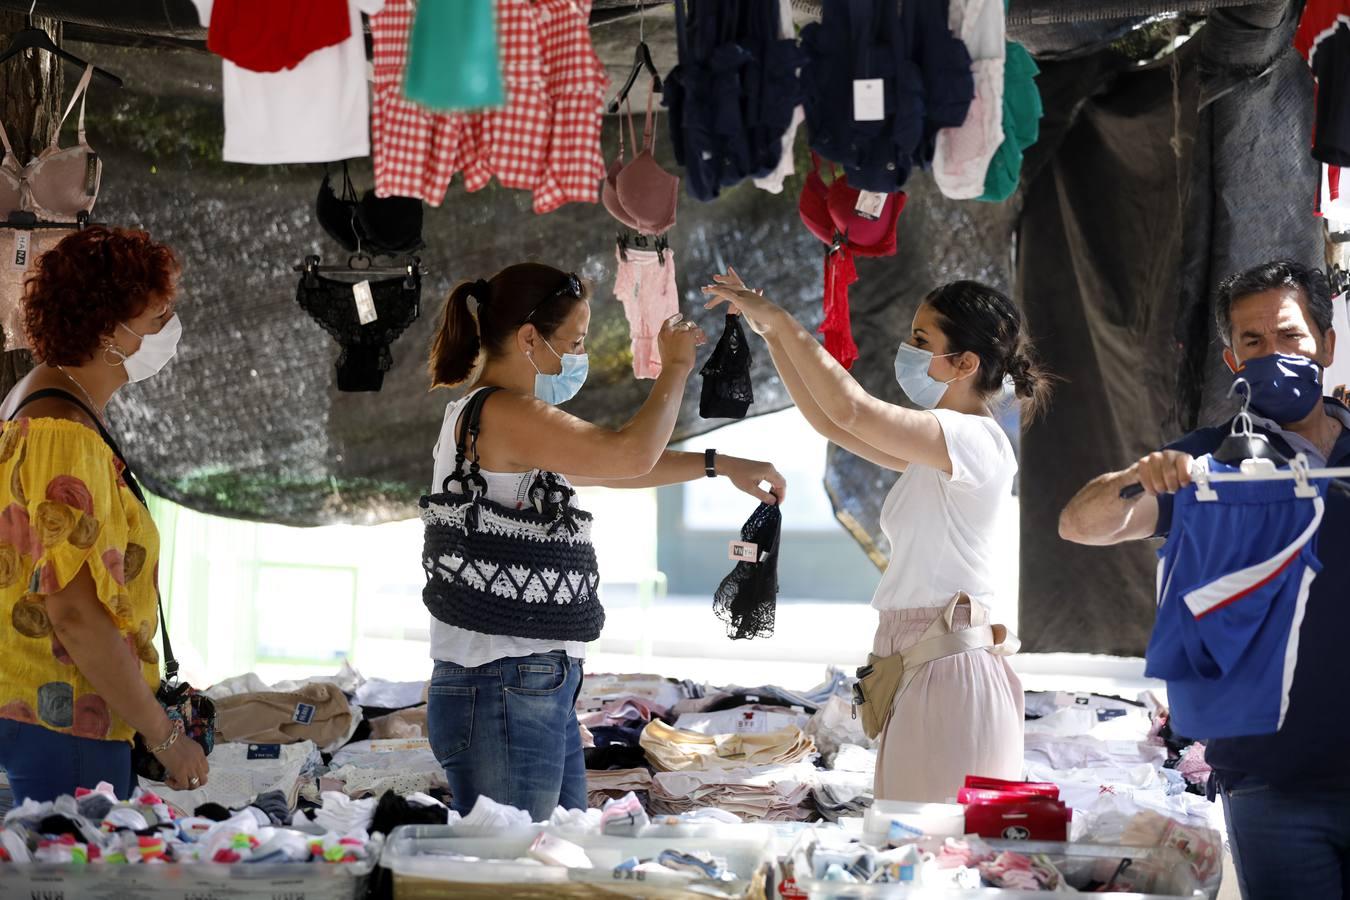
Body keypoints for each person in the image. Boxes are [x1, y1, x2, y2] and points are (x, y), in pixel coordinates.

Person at [424, 262, 786, 820]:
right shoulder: (503, 411)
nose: (578, 355)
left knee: (551, 856)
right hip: (504, 684)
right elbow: (627, 454)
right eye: (574, 341)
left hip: (523, 683)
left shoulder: (501, 418)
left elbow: (615, 469)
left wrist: (719, 464)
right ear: (528, 338)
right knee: (524, 871)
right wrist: (676, 369)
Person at [702, 268, 1052, 803]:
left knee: (930, 852)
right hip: (921, 661)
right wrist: (771, 333)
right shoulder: (939, 446)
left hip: (947, 665)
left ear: (964, 364)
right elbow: (833, 424)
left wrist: (779, 318)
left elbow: (852, 408)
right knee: (910, 844)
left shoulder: (971, 437)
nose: (906, 350)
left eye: (921, 340)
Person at [1059, 260, 1350, 900]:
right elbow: (1082, 524)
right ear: (1231, 359)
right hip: (1271, 787)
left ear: (1327, 344)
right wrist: (1145, 473)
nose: (1273, 355)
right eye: (1253, 342)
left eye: (1291, 337)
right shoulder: (1212, 460)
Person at [0, 226, 208, 802]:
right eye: (158, 316)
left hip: (42, 714)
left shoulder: (37, 407)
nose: (169, 329)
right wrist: (165, 738)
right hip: (66, 722)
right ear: (108, 329)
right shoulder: (63, 435)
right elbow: (74, 615)